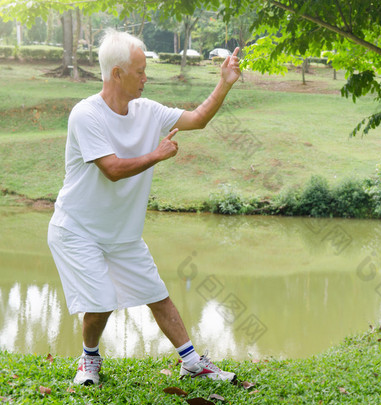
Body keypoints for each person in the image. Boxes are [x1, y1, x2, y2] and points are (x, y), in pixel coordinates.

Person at [47, 29, 241, 385]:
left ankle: (192, 363)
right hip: (77, 230)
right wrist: (157, 155)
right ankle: (89, 359)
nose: (145, 77)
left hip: (122, 235)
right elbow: (112, 170)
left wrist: (225, 82)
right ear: (117, 73)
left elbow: (197, 119)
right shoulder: (85, 115)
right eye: (139, 71)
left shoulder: (147, 111)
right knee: (102, 300)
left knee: (158, 296)